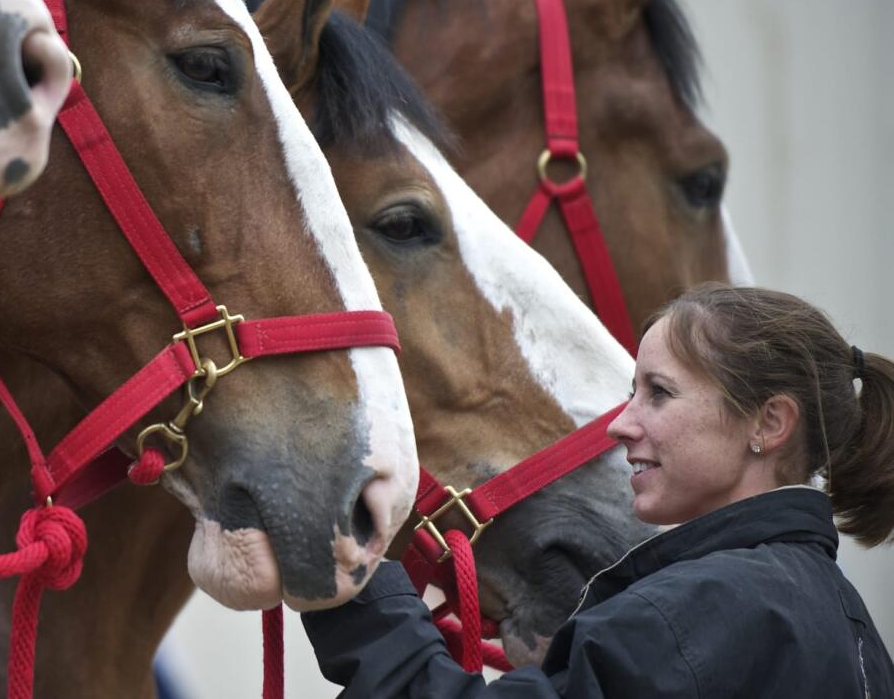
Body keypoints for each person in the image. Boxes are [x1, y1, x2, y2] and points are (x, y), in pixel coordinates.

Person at [303, 284, 894, 697]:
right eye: (631, 391)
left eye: (659, 393)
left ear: (768, 424)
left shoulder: (696, 612)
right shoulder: (849, 623)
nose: (620, 424)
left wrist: (360, 577)